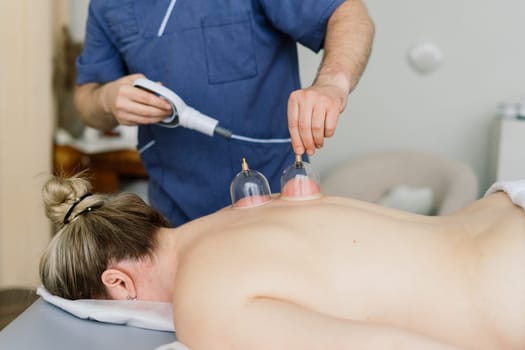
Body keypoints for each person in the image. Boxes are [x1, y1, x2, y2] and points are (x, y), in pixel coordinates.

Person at [40, 174, 525, 349]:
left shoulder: (204, 304)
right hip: (506, 205)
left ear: (119, 285)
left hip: (509, 292)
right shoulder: (243, 205)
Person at [73, 0, 375, 225]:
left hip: (275, 209)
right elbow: (86, 100)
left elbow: (350, 16)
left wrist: (331, 84)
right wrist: (107, 99)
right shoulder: (107, 6)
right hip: (176, 219)